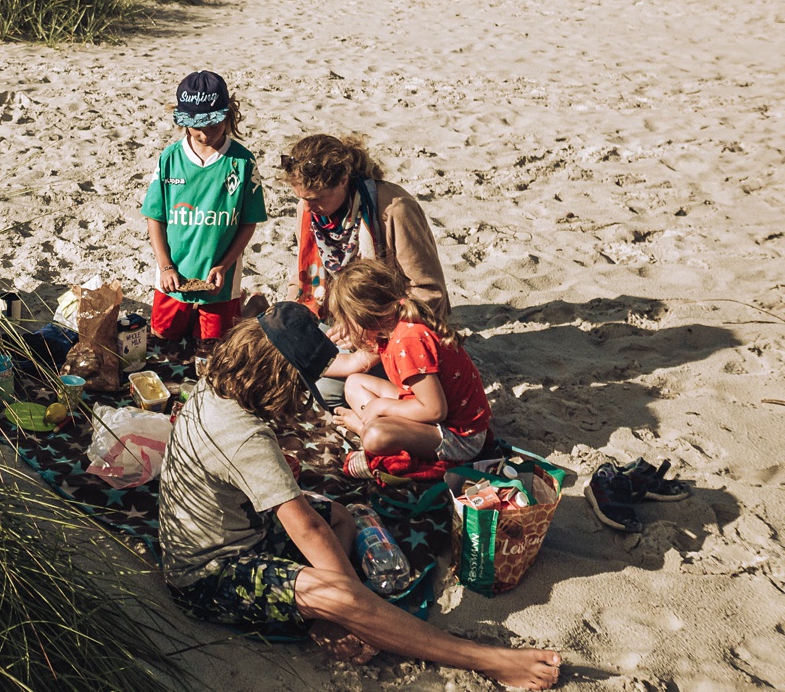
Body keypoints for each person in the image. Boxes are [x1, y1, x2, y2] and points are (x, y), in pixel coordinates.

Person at [157, 302, 561, 689]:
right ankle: (487, 659)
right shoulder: (245, 438)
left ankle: (327, 615)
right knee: (338, 587)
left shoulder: (217, 383)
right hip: (208, 574)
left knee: (342, 517)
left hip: (238, 526)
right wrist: (354, 605)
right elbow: (309, 529)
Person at [281, 133, 449, 408]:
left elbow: (429, 292)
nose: (308, 207)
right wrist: (289, 317)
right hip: (341, 318)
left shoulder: (395, 210)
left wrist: (369, 333)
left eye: (317, 198)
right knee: (299, 375)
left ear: (343, 180)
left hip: (390, 325)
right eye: (302, 198)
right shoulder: (308, 208)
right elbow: (304, 273)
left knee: (331, 391)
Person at [325, 259, 493, 473]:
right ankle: (375, 424)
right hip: (426, 409)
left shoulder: (408, 340)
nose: (344, 328)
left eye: (346, 320)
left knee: (375, 436)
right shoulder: (391, 326)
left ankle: (362, 427)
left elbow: (435, 410)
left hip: (460, 437)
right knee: (355, 383)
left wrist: (382, 406)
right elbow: (353, 364)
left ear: (364, 316)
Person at [141, 71, 268, 349]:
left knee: (216, 346)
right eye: (195, 125)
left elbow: (249, 222)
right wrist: (165, 266)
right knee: (163, 338)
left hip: (221, 279)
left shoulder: (243, 162)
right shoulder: (170, 158)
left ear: (228, 116)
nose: (204, 133)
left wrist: (224, 265)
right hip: (174, 274)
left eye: (213, 124)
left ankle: (252, 308)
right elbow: (155, 217)